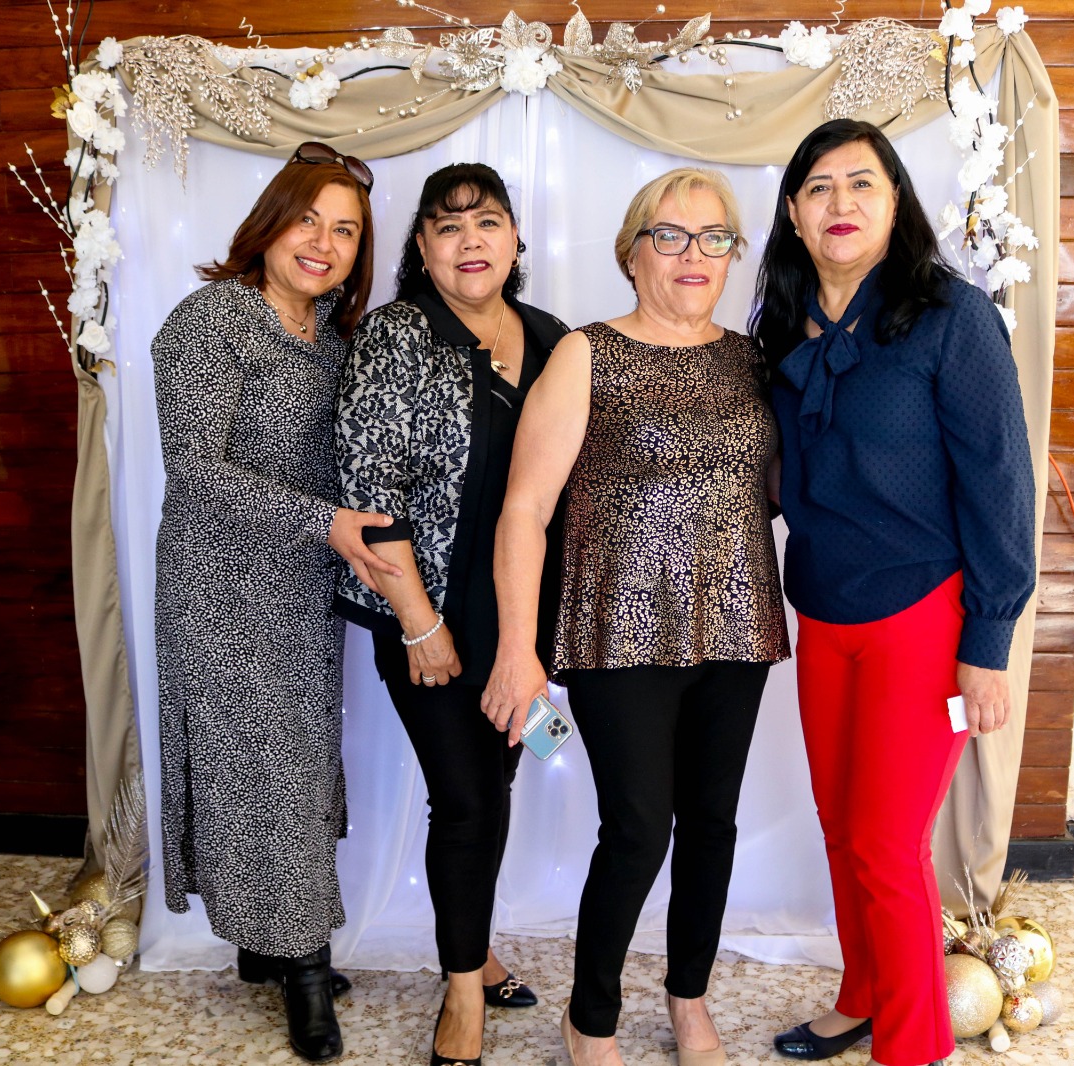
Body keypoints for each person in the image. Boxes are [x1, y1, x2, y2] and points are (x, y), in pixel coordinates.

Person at [483, 168, 790, 1066]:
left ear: (732, 255)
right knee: (637, 830)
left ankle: (689, 999)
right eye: (670, 235)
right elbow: (524, 510)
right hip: (617, 634)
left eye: (714, 237)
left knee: (712, 825)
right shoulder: (587, 354)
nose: (694, 255)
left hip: (737, 627)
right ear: (632, 252)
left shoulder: (753, 361)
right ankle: (591, 1017)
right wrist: (516, 649)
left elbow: (779, 489)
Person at [750, 119, 1036, 1066]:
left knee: (885, 842)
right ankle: (865, 992)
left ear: (896, 201)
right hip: (825, 612)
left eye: (861, 183)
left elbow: (1001, 485)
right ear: (794, 214)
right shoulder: (783, 328)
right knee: (843, 830)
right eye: (819, 187)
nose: (841, 203)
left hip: (924, 614)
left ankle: (914, 1048)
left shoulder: (953, 317)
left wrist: (987, 644)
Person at [153, 143, 400, 1063]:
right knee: (259, 768)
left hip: (301, 583)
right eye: (308, 221)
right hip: (221, 583)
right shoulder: (212, 320)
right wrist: (327, 522)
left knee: (291, 767)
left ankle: (269, 941)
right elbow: (194, 470)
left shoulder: (332, 338)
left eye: (346, 231)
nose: (324, 243)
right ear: (269, 224)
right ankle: (303, 966)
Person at [335, 163, 567, 1066]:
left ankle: (475, 947)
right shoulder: (398, 335)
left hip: (519, 619)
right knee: (465, 800)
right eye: (448, 225)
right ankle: (463, 992)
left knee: (498, 784)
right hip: (426, 613)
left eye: (488, 221)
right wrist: (419, 624)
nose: (471, 240)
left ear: (516, 239)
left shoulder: (551, 339)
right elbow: (370, 490)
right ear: (424, 249)